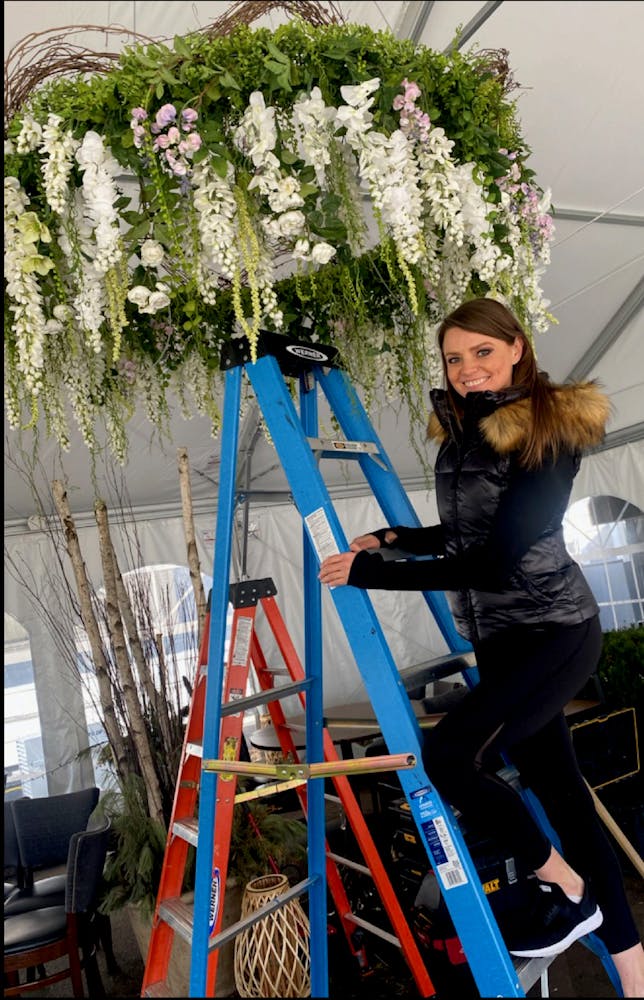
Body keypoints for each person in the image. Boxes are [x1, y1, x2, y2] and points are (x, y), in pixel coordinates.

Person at [318, 297, 644, 997]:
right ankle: (634, 969)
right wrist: (400, 540)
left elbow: (497, 561)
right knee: (564, 796)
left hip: (555, 632)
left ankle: (564, 886)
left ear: (517, 348)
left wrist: (375, 573)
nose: (467, 370)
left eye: (482, 353)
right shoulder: (462, 433)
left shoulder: (549, 432)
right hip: (499, 639)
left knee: (451, 755)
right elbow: (471, 536)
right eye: (454, 358)